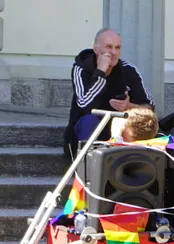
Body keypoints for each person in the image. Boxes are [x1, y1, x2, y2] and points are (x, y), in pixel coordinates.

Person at [64, 28, 153, 159]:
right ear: (96, 49)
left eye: (117, 48)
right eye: (108, 47)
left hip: (119, 131)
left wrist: (129, 106)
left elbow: (149, 109)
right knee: (90, 120)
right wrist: (100, 73)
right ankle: (86, 165)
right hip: (85, 133)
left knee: (142, 122)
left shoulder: (128, 70)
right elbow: (84, 105)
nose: (113, 53)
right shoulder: (81, 68)